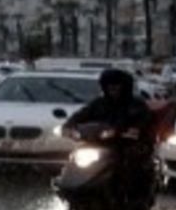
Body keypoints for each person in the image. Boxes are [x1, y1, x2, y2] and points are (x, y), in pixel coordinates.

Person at [62, 68, 155, 197]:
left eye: (116, 85)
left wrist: (134, 130)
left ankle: (135, 194)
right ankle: (68, 184)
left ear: (124, 86)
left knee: (131, 161)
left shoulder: (135, 104)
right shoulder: (99, 103)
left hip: (127, 143)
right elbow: (81, 114)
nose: (113, 88)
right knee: (75, 156)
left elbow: (144, 121)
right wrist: (68, 127)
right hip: (99, 143)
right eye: (109, 85)